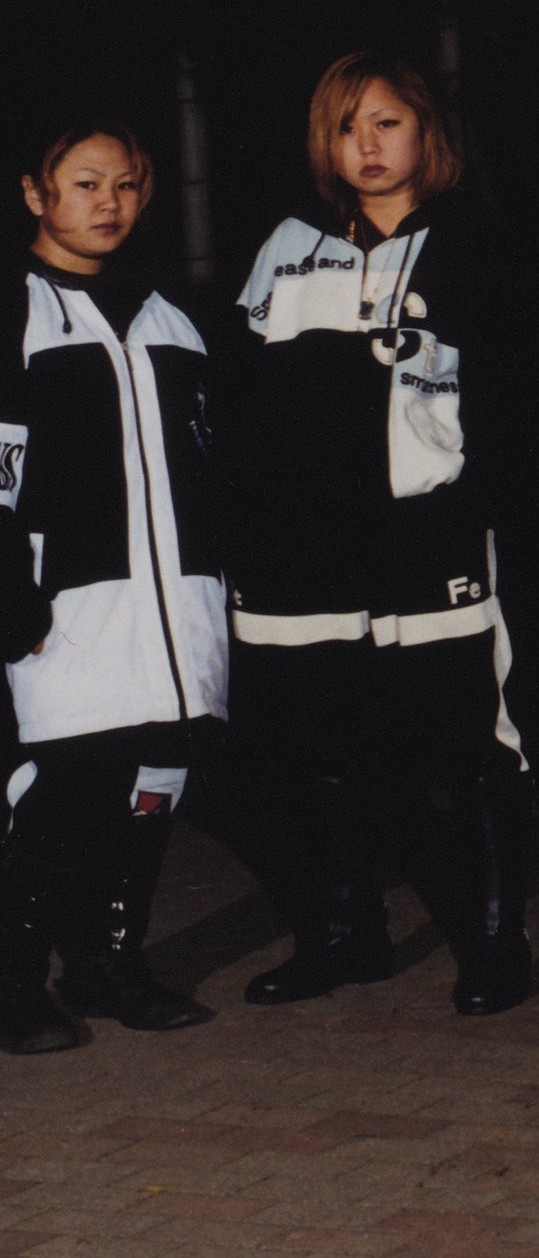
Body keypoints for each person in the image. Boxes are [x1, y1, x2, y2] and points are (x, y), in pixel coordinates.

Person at [223, 52, 533, 1016]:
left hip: (428, 543)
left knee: (462, 742)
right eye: (348, 124)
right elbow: (241, 401)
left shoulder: (476, 242)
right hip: (305, 549)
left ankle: (492, 943)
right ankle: (343, 933)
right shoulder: (284, 243)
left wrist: (479, 507)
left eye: (387, 121)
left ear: (425, 133)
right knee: (318, 743)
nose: (367, 142)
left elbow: (513, 404)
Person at [0, 120, 225, 1054]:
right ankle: (15, 984)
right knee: (58, 798)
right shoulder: (18, 311)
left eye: (127, 185)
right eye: (85, 183)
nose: (108, 203)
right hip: (70, 613)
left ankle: (109, 961)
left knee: (151, 784)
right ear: (34, 192)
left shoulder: (173, 316)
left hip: (177, 609)